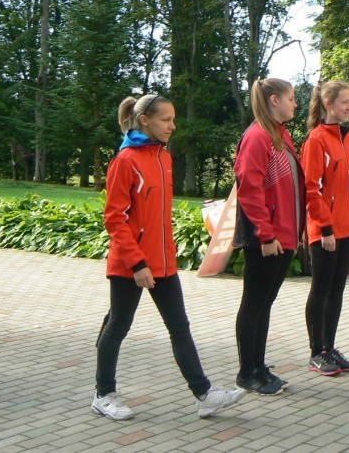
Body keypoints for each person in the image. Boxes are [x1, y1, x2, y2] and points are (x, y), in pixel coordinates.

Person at [92, 94, 245, 420]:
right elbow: (115, 219)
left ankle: (204, 395)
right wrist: (137, 263)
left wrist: (164, 257)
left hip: (163, 263)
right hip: (131, 264)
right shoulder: (125, 161)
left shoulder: (164, 158)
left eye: (173, 119)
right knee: (118, 326)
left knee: (180, 327)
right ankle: (103, 395)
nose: (172, 126)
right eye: (166, 119)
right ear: (144, 120)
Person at [233, 78, 306, 395]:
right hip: (264, 239)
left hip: (283, 236)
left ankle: (259, 367)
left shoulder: (279, 135)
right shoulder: (257, 137)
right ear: (274, 100)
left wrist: (295, 231)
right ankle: (247, 372)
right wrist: (265, 234)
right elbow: (249, 191)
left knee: (265, 304)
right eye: (291, 98)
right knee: (254, 305)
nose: (295, 104)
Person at [301, 80, 349, 376]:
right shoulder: (316, 140)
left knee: (337, 289)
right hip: (326, 232)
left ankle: (329, 347)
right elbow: (311, 189)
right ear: (328, 104)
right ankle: (317, 352)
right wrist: (325, 229)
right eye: (344, 102)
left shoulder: (348, 138)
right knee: (321, 288)